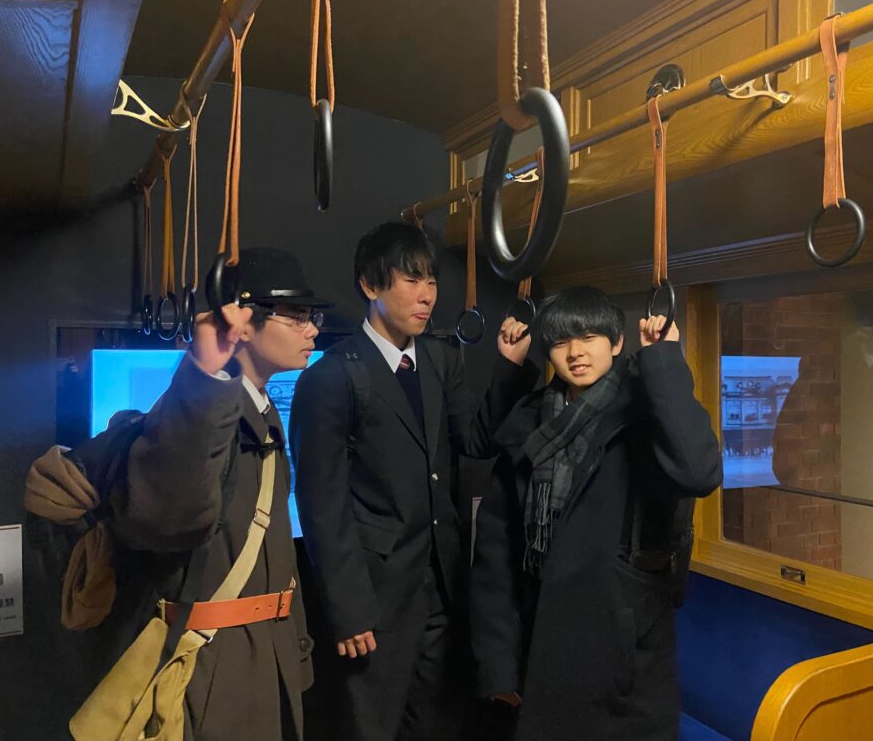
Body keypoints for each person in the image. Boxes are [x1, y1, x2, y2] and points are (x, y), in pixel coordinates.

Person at [35, 247, 327, 740]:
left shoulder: (264, 417)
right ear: (244, 321)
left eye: (311, 316)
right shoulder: (200, 417)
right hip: (211, 675)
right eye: (296, 316)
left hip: (263, 661)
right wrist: (205, 373)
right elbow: (169, 518)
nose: (312, 330)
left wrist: (297, 657)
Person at [290, 221, 538, 741]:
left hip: (443, 588)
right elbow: (321, 504)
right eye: (411, 280)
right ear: (370, 284)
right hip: (374, 597)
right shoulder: (331, 376)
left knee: (438, 725)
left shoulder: (440, 359)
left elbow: (474, 441)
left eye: (431, 281)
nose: (426, 296)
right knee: (370, 727)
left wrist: (508, 368)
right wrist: (348, 608)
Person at [470, 286, 723, 741]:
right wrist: (498, 665)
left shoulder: (647, 412)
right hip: (539, 643)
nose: (576, 353)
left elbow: (699, 471)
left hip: (624, 649)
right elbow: (496, 552)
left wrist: (664, 360)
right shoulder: (528, 419)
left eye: (589, 338)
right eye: (562, 342)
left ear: (617, 342)